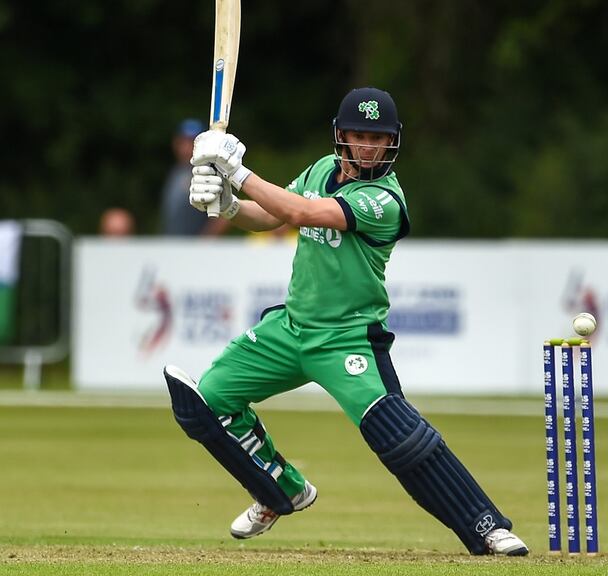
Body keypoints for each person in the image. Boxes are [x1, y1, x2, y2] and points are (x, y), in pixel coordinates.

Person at [165, 87, 528, 556]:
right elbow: (270, 217)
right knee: (207, 403)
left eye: (378, 138)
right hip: (290, 328)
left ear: (392, 141)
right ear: (342, 136)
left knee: (399, 437)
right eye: (359, 136)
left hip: (347, 339)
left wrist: (236, 172)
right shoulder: (320, 169)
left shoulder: (384, 199)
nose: (368, 147)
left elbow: (300, 212)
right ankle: (280, 489)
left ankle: (487, 526)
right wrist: (228, 206)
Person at [160, 118, 231, 236]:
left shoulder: (208, 171)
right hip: (171, 242)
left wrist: (205, 241)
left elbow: (224, 213)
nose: (186, 147)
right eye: (183, 141)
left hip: (194, 245)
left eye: (192, 142)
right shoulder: (175, 171)